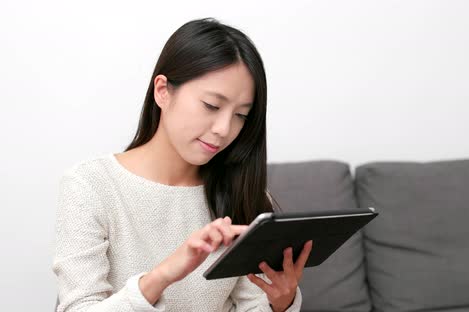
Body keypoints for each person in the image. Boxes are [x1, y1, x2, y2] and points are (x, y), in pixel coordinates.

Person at [52, 17, 312, 312]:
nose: (224, 129)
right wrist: (163, 275)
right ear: (163, 91)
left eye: (241, 115)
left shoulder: (243, 193)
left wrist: (281, 303)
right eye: (212, 106)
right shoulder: (91, 185)